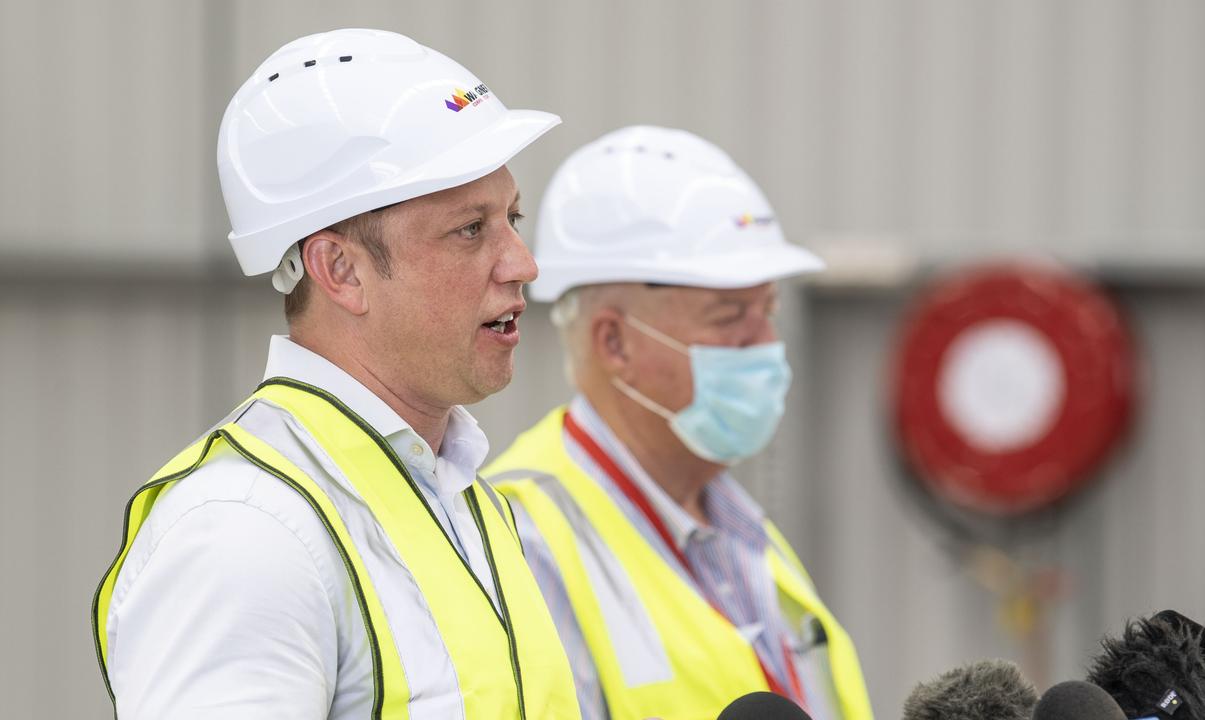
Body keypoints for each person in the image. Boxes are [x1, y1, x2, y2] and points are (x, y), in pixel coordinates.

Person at [91, 28, 580, 719]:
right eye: (470, 229)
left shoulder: (461, 498)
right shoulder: (245, 531)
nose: (522, 263)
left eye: (513, 218)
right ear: (340, 271)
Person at [483, 125, 875, 720]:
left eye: (767, 311)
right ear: (614, 342)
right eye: (729, 317)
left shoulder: (741, 529)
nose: (767, 345)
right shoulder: (522, 541)